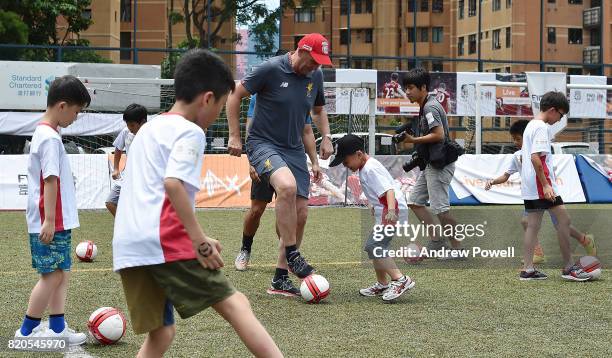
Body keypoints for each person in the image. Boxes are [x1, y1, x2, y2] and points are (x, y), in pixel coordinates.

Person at [112, 49, 282, 357]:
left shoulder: (148, 129)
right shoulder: (190, 132)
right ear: (207, 98)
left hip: (129, 245)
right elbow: (173, 184)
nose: (219, 113)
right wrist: (197, 240)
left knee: (162, 333)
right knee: (236, 304)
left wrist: (198, 235)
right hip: (163, 242)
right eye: (220, 105)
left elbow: (149, 193)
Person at [226, 33, 334, 285]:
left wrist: (326, 136)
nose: (316, 66)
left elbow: (317, 112)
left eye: (320, 62)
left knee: (301, 214)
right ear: (301, 50)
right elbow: (234, 96)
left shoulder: (315, 76)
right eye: (314, 60)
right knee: (282, 189)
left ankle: (280, 277)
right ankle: (292, 253)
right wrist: (234, 137)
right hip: (262, 144)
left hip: (293, 149)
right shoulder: (270, 69)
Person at [16, 75, 91, 345]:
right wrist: (48, 220)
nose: (76, 116)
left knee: (63, 272)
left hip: (59, 220)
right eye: (76, 111)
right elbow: (50, 180)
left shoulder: (49, 134)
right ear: (62, 106)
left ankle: (57, 327)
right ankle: (27, 330)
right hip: (51, 222)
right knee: (53, 275)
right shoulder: (49, 138)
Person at [485, 119, 596, 264]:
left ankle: (585, 240)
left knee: (560, 225)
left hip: (547, 193)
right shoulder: (517, 156)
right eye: (514, 139)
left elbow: (545, 169)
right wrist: (492, 181)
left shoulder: (539, 152)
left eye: (518, 139)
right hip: (533, 195)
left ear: (528, 136)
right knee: (526, 222)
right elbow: (506, 175)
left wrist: (546, 185)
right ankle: (537, 253)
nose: (515, 142)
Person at [330, 134, 415, 302]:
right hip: (384, 209)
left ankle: (400, 280)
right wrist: (373, 205)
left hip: (392, 209)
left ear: (359, 154)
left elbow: (389, 190)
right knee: (375, 246)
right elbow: (377, 190)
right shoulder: (366, 167)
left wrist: (390, 211)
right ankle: (382, 283)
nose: (346, 166)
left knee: (375, 245)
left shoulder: (370, 168)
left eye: (346, 162)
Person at [518, 91, 590, 282]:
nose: (559, 119)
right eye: (560, 115)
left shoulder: (531, 125)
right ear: (552, 110)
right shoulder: (541, 127)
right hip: (542, 186)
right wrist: (546, 185)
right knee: (564, 221)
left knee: (533, 226)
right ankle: (569, 268)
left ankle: (528, 270)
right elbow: (536, 158)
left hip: (531, 185)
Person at [400, 68, 463, 256]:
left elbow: (438, 135)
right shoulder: (425, 105)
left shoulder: (430, 107)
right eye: (406, 88)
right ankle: (437, 241)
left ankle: (458, 249)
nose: (407, 92)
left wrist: (413, 141)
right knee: (415, 202)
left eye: (411, 88)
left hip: (440, 165)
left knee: (441, 210)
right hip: (431, 164)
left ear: (423, 87)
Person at [105, 103, 147, 216]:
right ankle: (124, 225)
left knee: (139, 208)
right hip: (127, 176)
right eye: (127, 124)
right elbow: (118, 149)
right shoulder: (126, 132)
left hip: (144, 179)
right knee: (110, 202)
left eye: (132, 125)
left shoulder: (150, 134)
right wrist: (116, 169)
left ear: (143, 122)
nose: (129, 128)